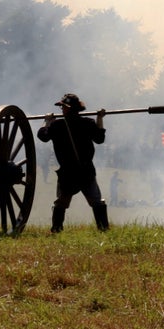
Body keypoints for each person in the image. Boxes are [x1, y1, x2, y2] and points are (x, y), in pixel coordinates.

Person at [36, 93, 108, 232]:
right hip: (85, 170)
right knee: (96, 201)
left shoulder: (57, 125)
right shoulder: (88, 123)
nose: (62, 109)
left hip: (68, 172)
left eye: (63, 107)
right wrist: (100, 118)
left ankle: (56, 229)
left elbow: (42, 136)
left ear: (69, 108)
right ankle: (103, 229)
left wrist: (47, 121)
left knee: (61, 203)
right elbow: (100, 138)